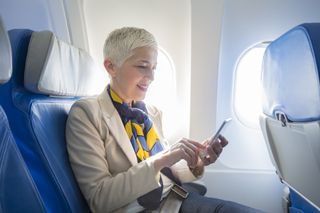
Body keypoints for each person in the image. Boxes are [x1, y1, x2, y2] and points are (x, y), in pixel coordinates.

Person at [66, 27, 264, 213]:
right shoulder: (87, 114)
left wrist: (196, 160)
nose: (151, 76)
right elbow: (100, 198)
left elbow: (167, 171)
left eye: (154, 68)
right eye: (143, 66)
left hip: (176, 197)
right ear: (111, 66)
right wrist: (163, 158)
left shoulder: (149, 113)